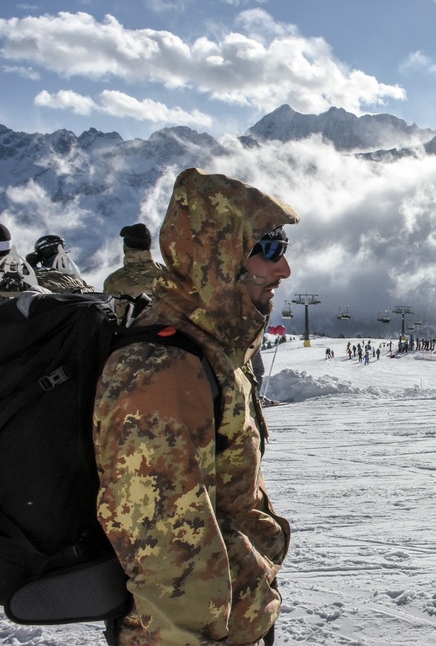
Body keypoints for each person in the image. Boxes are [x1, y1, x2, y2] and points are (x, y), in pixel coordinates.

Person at [93, 168, 298, 645]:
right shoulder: (162, 372)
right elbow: (168, 558)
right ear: (219, 254)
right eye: (268, 250)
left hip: (234, 621)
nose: (283, 269)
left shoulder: (212, 349)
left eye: (283, 250)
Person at [103, 222, 166, 319]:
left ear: (126, 247)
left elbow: (109, 317)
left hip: (136, 333)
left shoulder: (114, 280)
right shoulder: (166, 273)